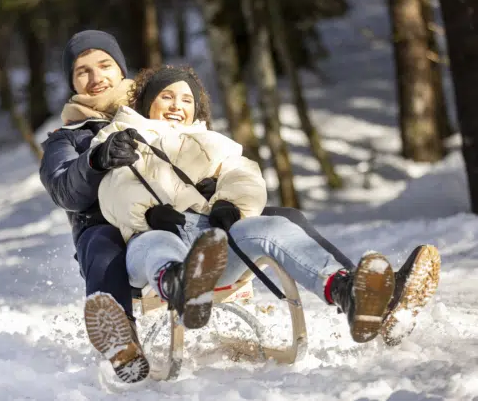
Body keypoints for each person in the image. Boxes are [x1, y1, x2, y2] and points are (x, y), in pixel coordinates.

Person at [88, 64, 441, 371]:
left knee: (271, 227)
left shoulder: (212, 142)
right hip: (148, 246)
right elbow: (114, 187)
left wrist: (232, 204)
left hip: (212, 247)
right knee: (158, 243)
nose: (177, 106)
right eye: (167, 96)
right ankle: (179, 283)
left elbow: (243, 174)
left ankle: (348, 292)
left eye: (186, 100)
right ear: (146, 100)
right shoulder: (119, 136)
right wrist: (148, 213)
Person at [39, 30, 150, 383]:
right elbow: (63, 189)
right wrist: (95, 160)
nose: (96, 76)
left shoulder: (157, 113)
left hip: (168, 223)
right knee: (101, 239)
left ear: (121, 70)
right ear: (73, 82)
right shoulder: (66, 138)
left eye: (104, 64)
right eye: (82, 71)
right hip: (109, 236)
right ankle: (121, 343)